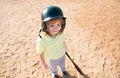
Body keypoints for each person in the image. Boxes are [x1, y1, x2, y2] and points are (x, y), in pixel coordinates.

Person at [37, 6, 69, 78]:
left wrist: (65, 48)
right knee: (53, 68)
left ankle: (63, 71)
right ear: (45, 26)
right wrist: (44, 63)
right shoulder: (42, 40)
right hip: (52, 59)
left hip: (62, 55)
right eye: (52, 25)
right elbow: (40, 52)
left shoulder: (60, 34)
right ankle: (54, 74)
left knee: (63, 65)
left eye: (58, 24)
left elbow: (63, 42)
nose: (56, 28)